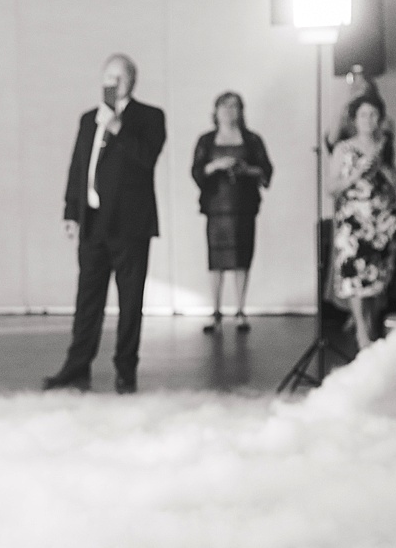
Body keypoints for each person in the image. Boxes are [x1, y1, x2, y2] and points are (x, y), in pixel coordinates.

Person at [43, 53, 166, 394]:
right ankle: (76, 365)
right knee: (88, 299)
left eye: (120, 77)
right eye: (108, 76)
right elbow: (78, 167)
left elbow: (146, 160)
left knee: (129, 302)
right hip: (93, 223)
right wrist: (71, 212)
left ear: (132, 81)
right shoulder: (88, 119)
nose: (113, 83)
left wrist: (118, 128)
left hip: (130, 226)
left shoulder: (149, 117)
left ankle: (126, 369)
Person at [190, 92, 273, 333]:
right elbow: (196, 170)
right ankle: (215, 311)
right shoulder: (206, 140)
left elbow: (266, 168)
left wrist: (246, 169)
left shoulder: (252, 139)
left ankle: (240, 309)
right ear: (215, 111)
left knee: (242, 259)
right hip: (217, 208)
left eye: (234, 107)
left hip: (243, 206)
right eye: (224, 107)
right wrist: (214, 166)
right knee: (216, 260)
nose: (229, 111)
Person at [330, 93, 396, 348]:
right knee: (354, 276)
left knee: (377, 279)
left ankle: (372, 325)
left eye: (374, 115)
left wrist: (384, 165)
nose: (369, 120)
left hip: (383, 219)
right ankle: (361, 332)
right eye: (363, 114)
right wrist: (356, 173)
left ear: (381, 119)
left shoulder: (391, 145)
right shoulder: (343, 148)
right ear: (354, 119)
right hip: (353, 220)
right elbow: (332, 187)